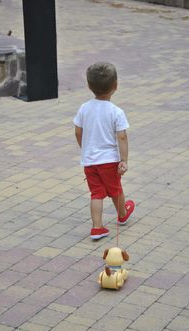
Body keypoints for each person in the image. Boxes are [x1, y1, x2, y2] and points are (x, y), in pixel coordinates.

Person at [74, 62, 135, 240]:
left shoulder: (84, 108)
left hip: (90, 161)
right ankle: (122, 214)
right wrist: (124, 160)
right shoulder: (116, 112)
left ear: (89, 86)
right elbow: (122, 137)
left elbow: (78, 131)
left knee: (96, 193)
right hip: (109, 160)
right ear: (115, 86)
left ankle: (97, 227)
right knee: (116, 189)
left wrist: (84, 148)